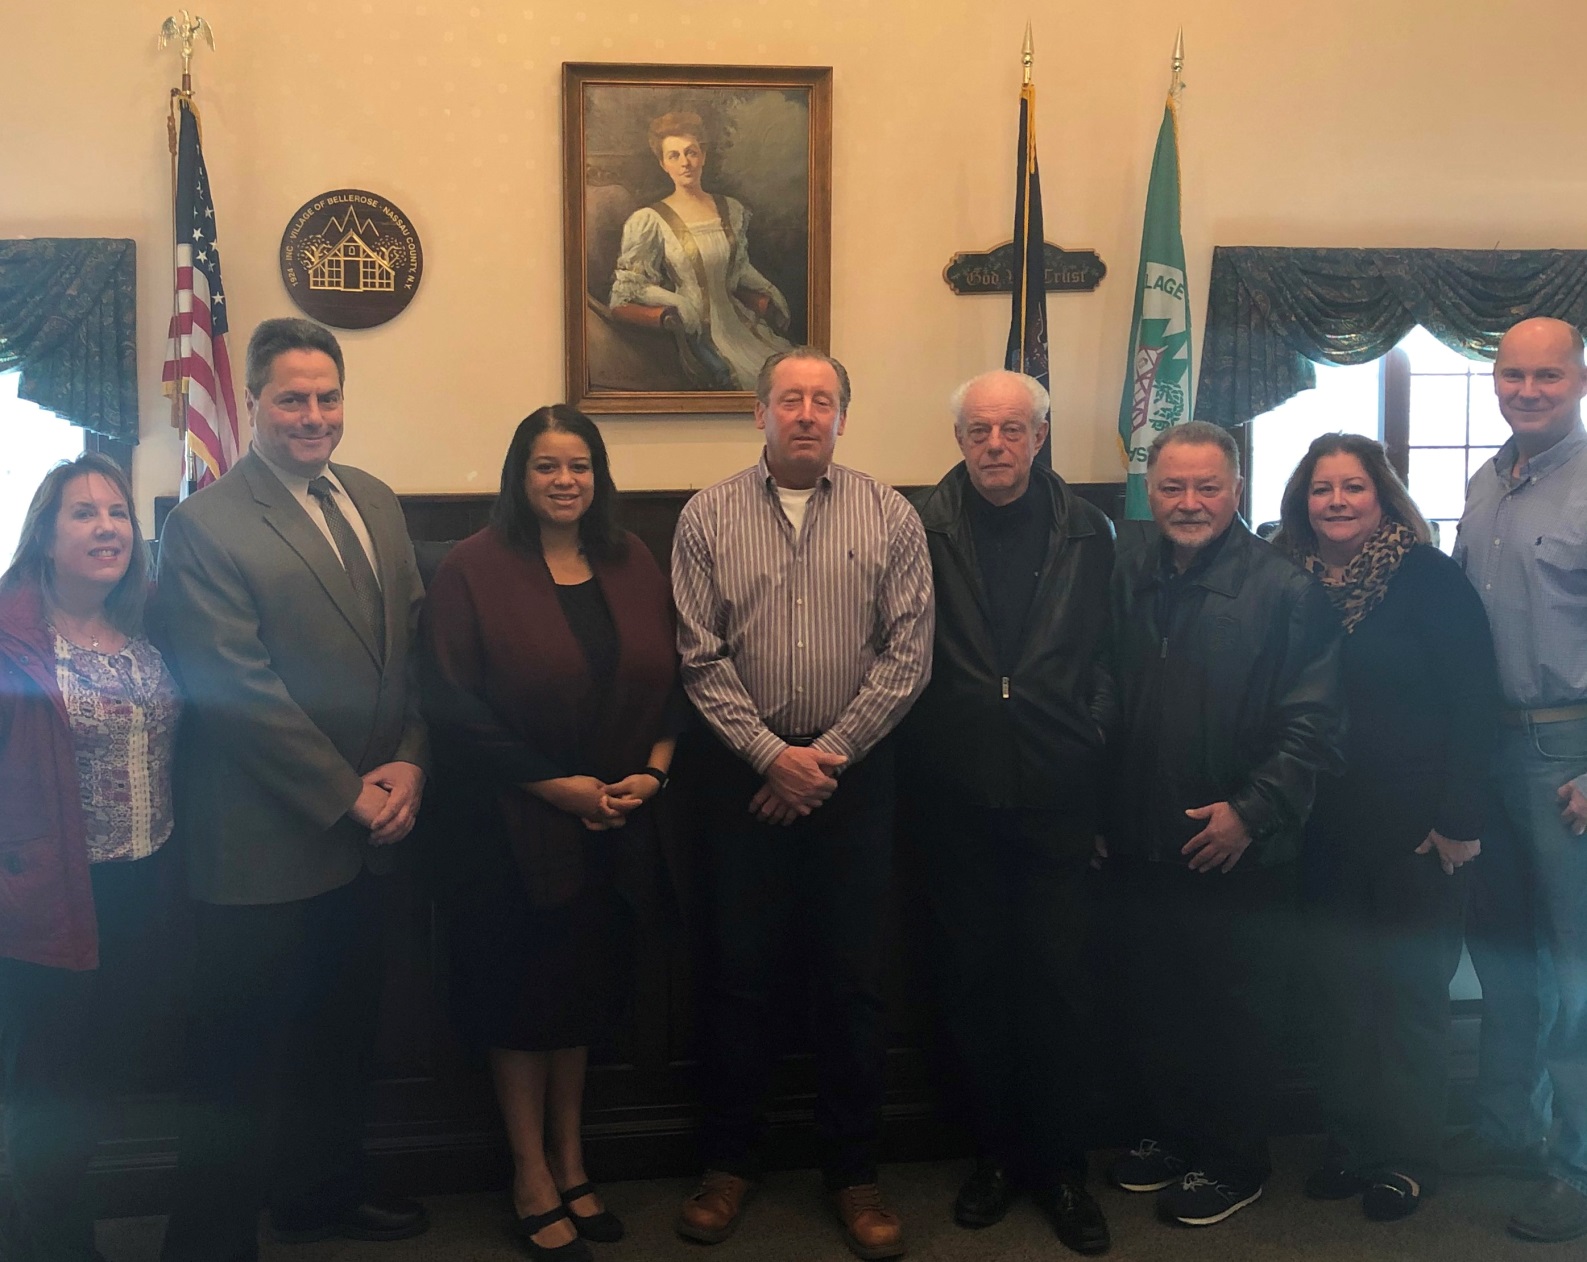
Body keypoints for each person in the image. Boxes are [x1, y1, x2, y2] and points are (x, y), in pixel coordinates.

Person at [151, 317, 430, 1262]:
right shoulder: (205, 524)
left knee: (340, 1041)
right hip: (262, 848)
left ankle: (320, 1197)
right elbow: (232, 687)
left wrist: (412, 761)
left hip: (369, 837)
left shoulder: (377, 501)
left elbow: (410, 656)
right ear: (254, 406)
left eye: (327, 396)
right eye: (291, 399)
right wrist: (345, 791)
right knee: (236, 1062)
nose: (313, 416)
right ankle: (209, 1243)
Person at [671, 347, 933, 1259]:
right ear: (760, 414)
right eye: (791, 399)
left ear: (843, 419)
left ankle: (853, 1173)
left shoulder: (889, 514)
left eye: (824, 401)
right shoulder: (706, 516)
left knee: (854, 984)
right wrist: (768, 758)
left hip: (853, 787)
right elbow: (698, 657)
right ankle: (728, 1164)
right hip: (740, 787)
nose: (807, 414)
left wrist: (821, 759)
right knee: (739, 978)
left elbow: (908, 656)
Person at [421, 406, 681, 1261]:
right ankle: (528, 1171)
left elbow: (674, 672)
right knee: (521, 1003)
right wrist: (553, 787)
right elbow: (453, 705)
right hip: (508, 828)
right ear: (518, 476)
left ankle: (573, 1160)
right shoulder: (472, 568)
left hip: (613, 821)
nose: (563, 480)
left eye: (578, 465)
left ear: (598, 476)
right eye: (544, 466)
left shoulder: (631, 558)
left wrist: (654, 769)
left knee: (577, 1004)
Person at [1103, 421, 1345, 1228]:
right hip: (1144, 835)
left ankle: (1235, 1161)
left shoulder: (1285, 589)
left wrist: (1248, 812)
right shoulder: (1127, 568)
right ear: (1151, 491)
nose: (1189, 501)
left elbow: (1314, 725)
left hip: (1241, 846)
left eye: (1207, 486)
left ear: (1236, 491)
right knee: (1158, 1000)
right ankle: (1175, 1138)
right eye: (1172, 486)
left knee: (1234, 1014)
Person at [902, 370, 1113, 1255]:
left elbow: (1114, 655)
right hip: (956, 795)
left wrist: (1088, 737)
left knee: (1060, 988)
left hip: (1059, 797)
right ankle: (993, 1157)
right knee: (974, 985)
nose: (995, 444)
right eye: (980, 430)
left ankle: (1060, 1170)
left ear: (1040, 436)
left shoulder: (1090, 531)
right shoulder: (918, 527)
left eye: (1013, 429)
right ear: (957, 441)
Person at [1270, 434, 1498, 1221]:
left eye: (1352, 488)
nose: (1335, 501)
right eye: (1321, 488)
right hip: (1319, 828)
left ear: (1382, 496)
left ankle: (1406, 1158)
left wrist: (1458, 820)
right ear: (1302, 500)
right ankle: (1352, 1144)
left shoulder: (1427, 579)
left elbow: (1475, 704)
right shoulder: (1287, 581)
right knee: (1337, 997)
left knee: (1406, 998)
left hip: (1417, 832)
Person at [0, 455, 181, 1262]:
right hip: (49, 901)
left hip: (147, 892)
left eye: (117, 512)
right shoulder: (11, 642)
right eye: (83, 513)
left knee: (104, 1084)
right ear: (44, 534)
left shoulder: (149, 623)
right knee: (51, 1096)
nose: (107, 527)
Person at [1446, 315, 1587, 1243]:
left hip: (1566, 755)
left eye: (1547, 375)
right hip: (1488, 750)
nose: (1527, 390)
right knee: (1507, 959)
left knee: (1575, 975)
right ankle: (1510, 1127)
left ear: (1577, 379)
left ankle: (1575, 1171)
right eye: (1512, 375)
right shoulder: (1487, 480)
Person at [609, 109, 793, 390]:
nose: (685, 163)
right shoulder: (650, 220)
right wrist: (679, 303)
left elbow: (738, 268)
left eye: (691, 152)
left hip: (740, 322)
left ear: (703, 156)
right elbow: (628, 289)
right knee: (746, 381)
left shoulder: (731, 210)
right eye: (674, 156)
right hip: (698, 331)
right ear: (663, 164)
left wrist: (769, 290)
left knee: (785, 373)